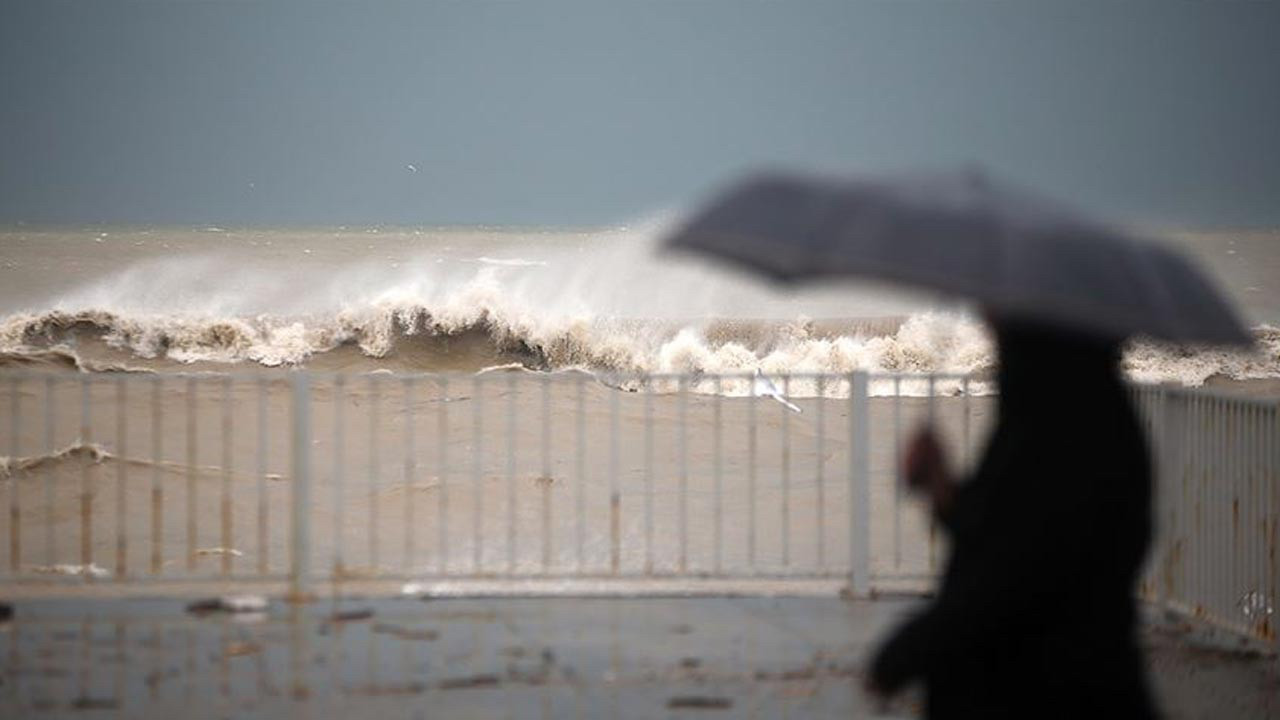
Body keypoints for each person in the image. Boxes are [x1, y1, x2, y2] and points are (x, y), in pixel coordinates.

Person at [866, 318, 1158, 718]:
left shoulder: (1063, 430)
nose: (991, 325)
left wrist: (906, 653)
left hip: (1046, 691)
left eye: (1004, 320)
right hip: (1070, 680)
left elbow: (1013, 578)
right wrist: (941, 488)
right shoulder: (1073, 415)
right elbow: (1004, 525)